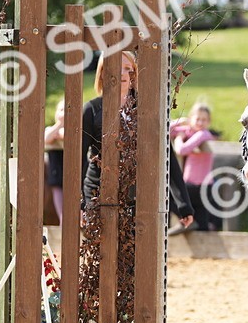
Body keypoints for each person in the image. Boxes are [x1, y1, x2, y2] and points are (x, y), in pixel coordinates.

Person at [82, 50, 193, 227]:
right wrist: (81, 204)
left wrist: (183, 204)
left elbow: (166, 155)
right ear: (102, 72)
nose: (123, 74)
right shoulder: (91, 109)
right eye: (117, 68)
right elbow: (79, 160)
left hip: (138, 196)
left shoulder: (147, 109)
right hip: (98, 192)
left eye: (128, 69)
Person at [172, 100, 219, 231]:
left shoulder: (203, 134)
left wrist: (179, 138)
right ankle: (203, 245)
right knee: (200, 220)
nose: (200, 122)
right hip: (197, 185)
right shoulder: (191, 132)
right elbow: (167, 129)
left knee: (171, 196)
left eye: (204, 120)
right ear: (191, 119)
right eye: (197, 119)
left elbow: (181, 150)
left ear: (209, 122)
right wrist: (180, 121)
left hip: (197, 185)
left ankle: (183, 222)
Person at [44, 98, 66, 223]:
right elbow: (47, 138)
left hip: (73, 170)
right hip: (56, 172)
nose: (64, 113)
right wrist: (59, 125)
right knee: (57, 190)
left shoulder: (76, 129)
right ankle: (62, 219)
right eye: (61, 110)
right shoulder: (51, 129)